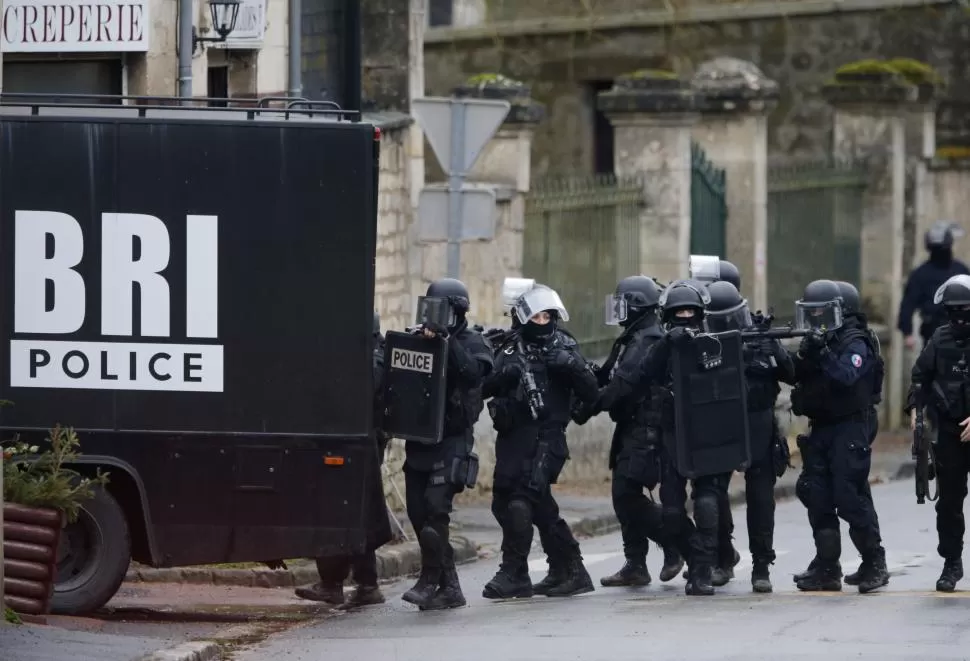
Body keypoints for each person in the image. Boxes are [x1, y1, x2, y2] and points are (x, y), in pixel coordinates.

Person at [481, 283, 600, 599]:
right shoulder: (508, 347)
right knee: (511, 504)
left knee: (524, 501)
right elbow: (480, 386)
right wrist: (501, 376)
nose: (544, 320)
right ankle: (569, 569)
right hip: (513, 438)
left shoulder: (564, 345)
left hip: (547, 439)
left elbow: (591, 392)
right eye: (537, 315)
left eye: (548, 315)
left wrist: (571, 366)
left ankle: (512, 572)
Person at [789, 279, 888, 594]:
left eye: (822, 312)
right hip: (822, 425)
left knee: (849, 495)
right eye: (812, 312)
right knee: (815, 492)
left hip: (851, 426)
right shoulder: (820, 339)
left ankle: (874, 562)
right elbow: (799, 376)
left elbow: (845, 376)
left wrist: (823, 352)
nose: (816, 319)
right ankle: (827, 566)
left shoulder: (856, 341)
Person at [400, 279, 493, 611]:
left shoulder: (473, 342)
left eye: (442, 311)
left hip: (452, 441)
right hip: (420, 442)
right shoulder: (418, 340)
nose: (434, 318)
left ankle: (428, 582)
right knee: (417, 513)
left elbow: (472, 373)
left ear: (458, 312)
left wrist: (446, 340)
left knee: (435, 510)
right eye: (430, 310)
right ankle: (450, 586)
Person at [295, 311, 394, 608]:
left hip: (362, 447)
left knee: (358, 515)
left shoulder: (376, 359)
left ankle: (366, 585)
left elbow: (365, 388)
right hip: (343, 442)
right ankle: (334, 583)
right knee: (336, 513)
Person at [593, 275, 684, 587]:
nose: (617, 310)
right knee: (624, 495)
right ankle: (636, 563)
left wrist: (594, 401)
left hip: (647, 428)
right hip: (631, 426)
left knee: (627, 495)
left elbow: (622, 384)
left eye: (622, 304)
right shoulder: (632, 336)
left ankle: (675, 543)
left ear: (636, 306)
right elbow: (608, 374)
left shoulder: (647, 339)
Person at [705, 281, 794, 593]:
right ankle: (722, 557)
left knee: (760, 498)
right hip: (721, 424)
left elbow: (791, 373)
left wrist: (775, 353)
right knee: (713, 492)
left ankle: (760, 565)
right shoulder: (705, 340)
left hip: (758, 424)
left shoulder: (760, 335)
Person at [907, 274, 970, 592]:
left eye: (965, 311)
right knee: (949, 503)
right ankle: (951, 562)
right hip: (949, 430)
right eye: (953, 311)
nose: (960, 318)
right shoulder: (940, 339)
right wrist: (915, 412)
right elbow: (920, 378)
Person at [898, 221, 969, 351]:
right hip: (933, 333)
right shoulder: (920, 274)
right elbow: (908, 303)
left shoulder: (961, 270)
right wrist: (907, 332)